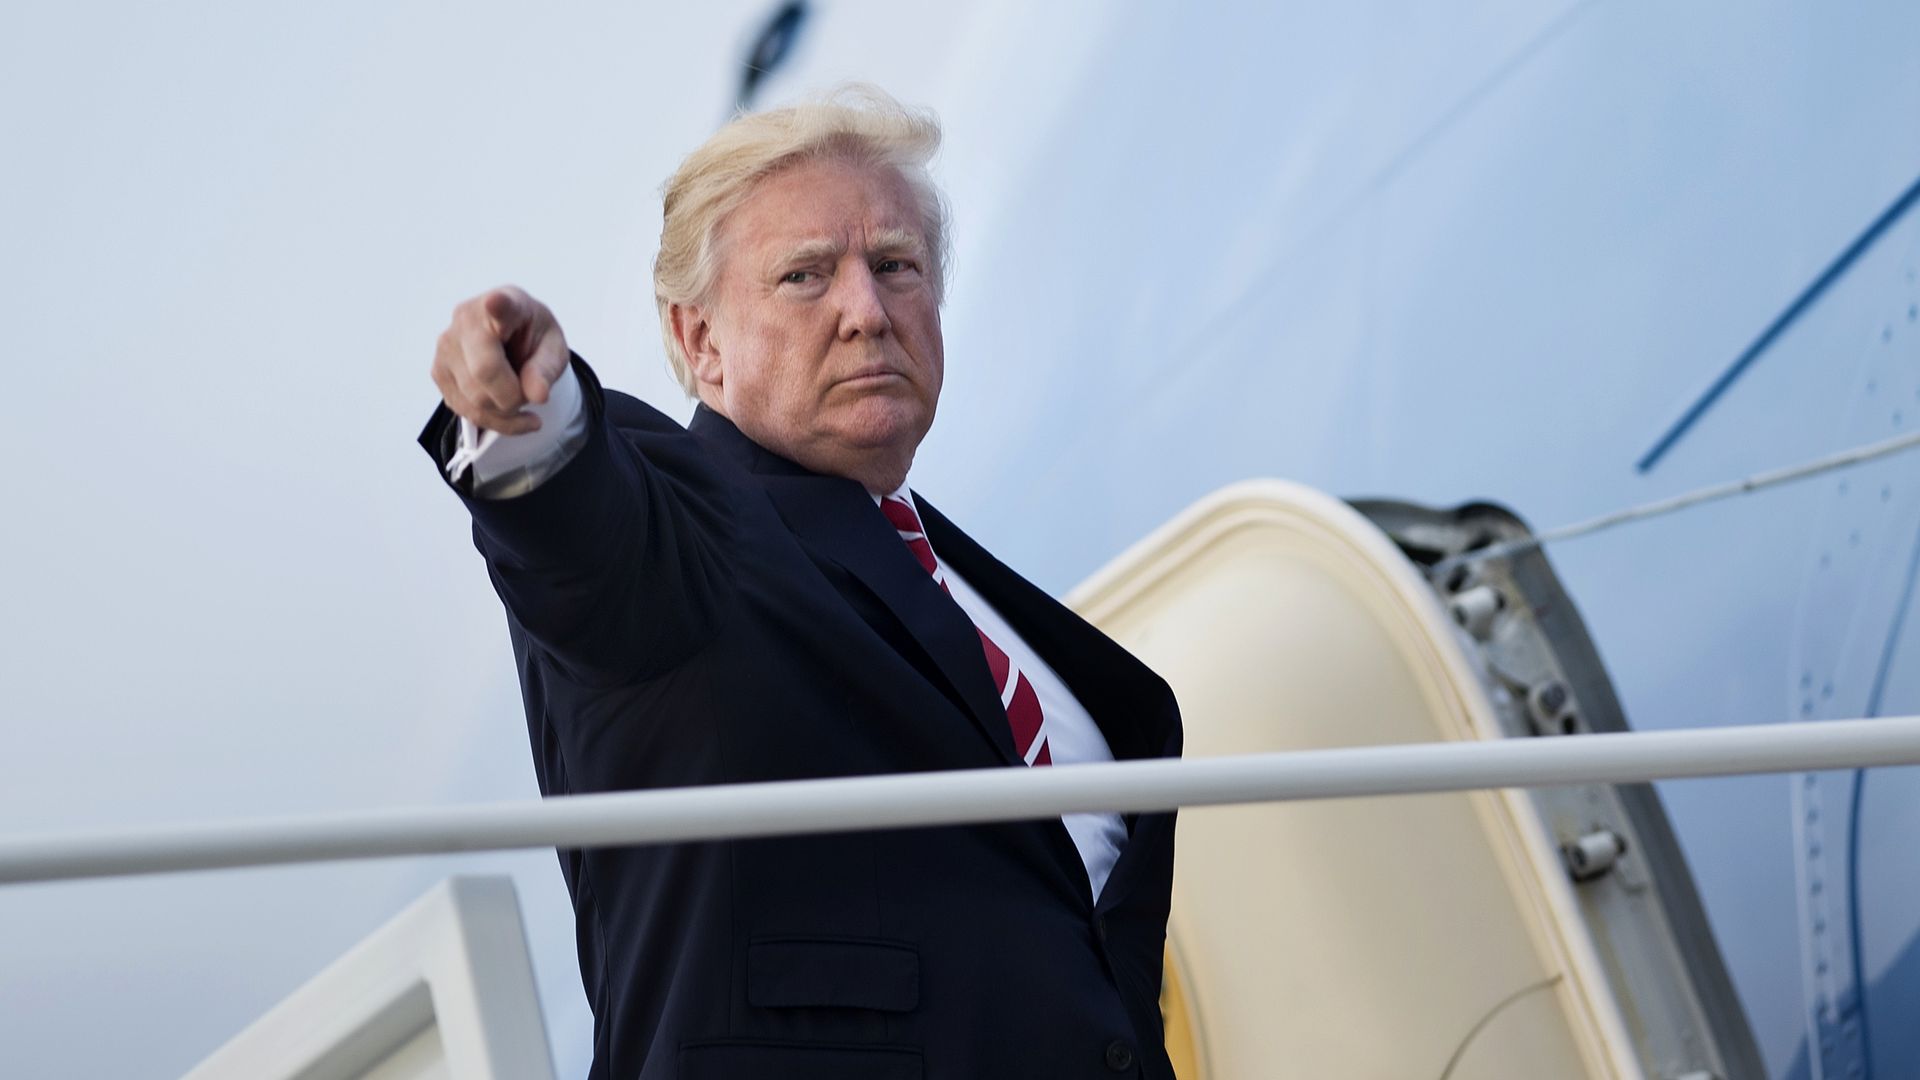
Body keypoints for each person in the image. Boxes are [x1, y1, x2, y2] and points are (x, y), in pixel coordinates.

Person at [420, 86, 1183, 1080]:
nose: (867, 312)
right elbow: (584, 532)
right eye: (804, 277)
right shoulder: (688, 529)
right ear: (700, 344)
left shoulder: (957, 579)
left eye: (897, 266)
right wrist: (532, 416)